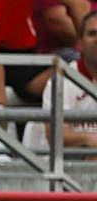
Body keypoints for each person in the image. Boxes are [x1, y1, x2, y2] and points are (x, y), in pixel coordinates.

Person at [42, 11, 97, 156]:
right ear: (80, 44)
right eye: (92, 34)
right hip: (71, 165)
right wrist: (89, 140)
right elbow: (55, 134)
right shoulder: (61, 80)